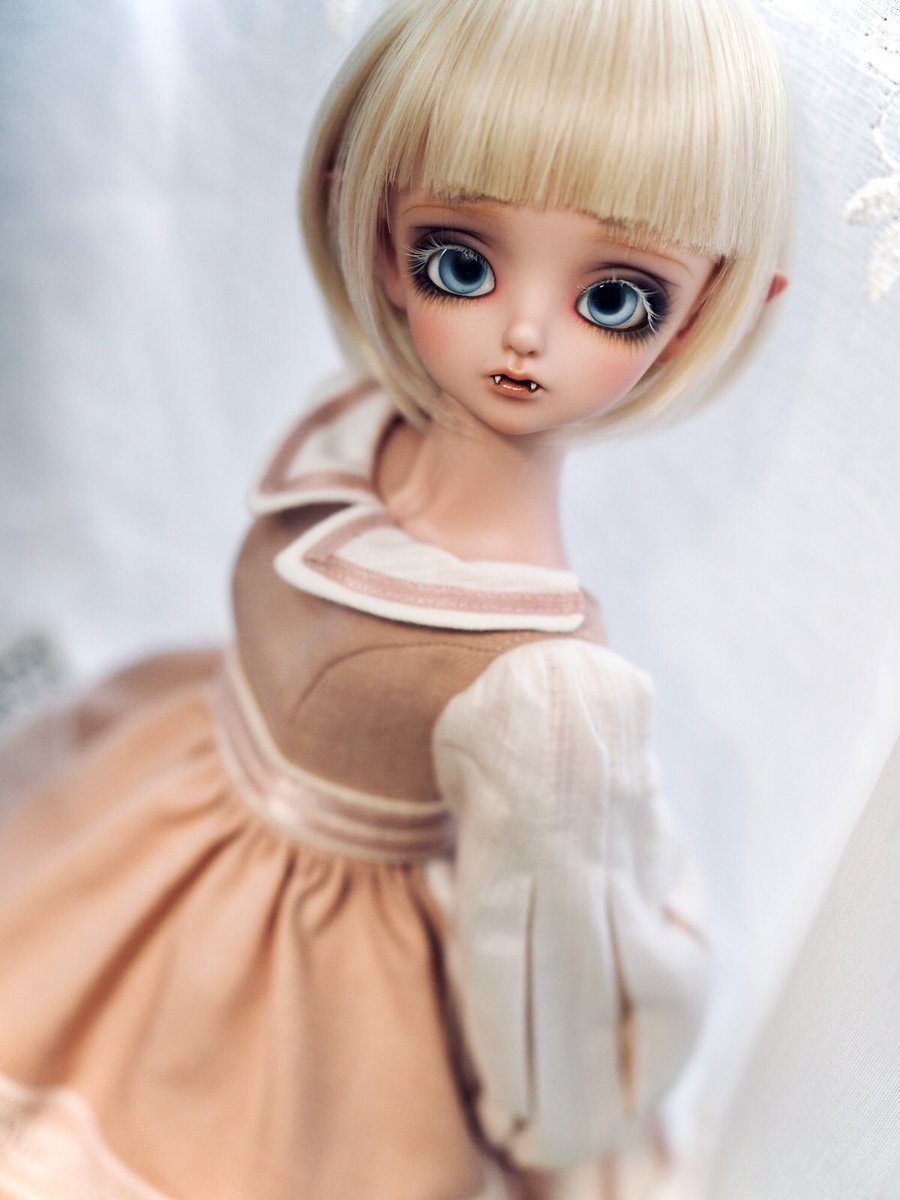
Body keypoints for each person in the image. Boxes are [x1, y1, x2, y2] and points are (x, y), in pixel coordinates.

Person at [0, 1, 792, 1196]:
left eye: (616, 296)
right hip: (144, 823)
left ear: (701, 318)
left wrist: (563, 1119)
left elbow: (557, 979)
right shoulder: (353, 434)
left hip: (308, 1013)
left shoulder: (543, 679)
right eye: (458, 262)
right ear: (381, 239)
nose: (522, 333)